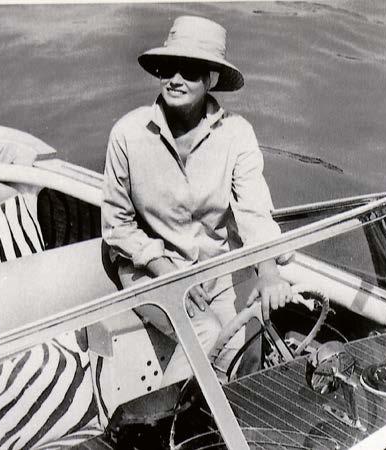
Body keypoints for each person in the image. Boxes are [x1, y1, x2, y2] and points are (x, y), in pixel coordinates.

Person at [101, 15, 293, 386]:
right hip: (150, 268)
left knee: (247, 341)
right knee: (204, 331)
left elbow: (254, 210)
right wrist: (167, 273)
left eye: (189, 71)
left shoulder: (237, 133)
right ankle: (152, 416)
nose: (175, 79)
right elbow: (117, 227)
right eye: (168, 68)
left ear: (211, 79)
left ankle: (226, 415)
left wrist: (268, 270)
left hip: (216, 271)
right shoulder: (127, 133)